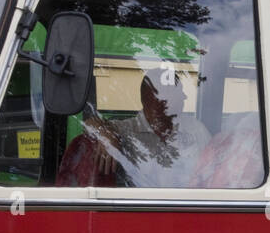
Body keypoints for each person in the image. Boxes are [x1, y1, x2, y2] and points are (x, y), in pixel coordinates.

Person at [57, 67, 209, 188]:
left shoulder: (195, 129)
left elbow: (213, 170)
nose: (184, 97)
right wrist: (104, 134)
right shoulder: (125, 130)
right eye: (178, 92)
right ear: (156, 100)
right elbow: (90, 124)